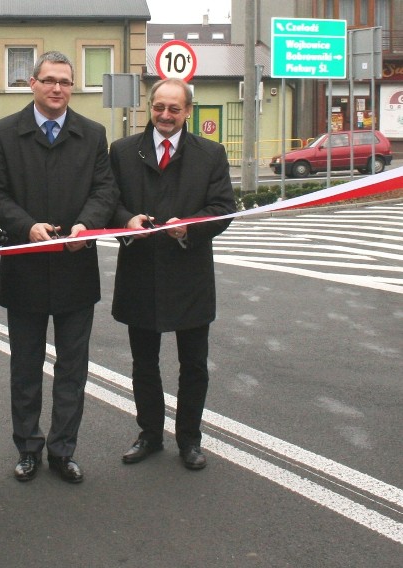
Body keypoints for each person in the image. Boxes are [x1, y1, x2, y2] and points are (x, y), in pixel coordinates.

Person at [0, 51, 118, 484]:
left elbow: (105, 189)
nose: (57, 88)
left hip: (76, 267)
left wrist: (86, 224)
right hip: (25, 267)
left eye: (65, 81)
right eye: (49, 80)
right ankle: (27, 448)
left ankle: (63, 450)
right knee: (25, 367)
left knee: (72, 368)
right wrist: (25, 226)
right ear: (33, 83)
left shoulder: (93, 134)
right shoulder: (3, 133)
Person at [108, 77, 236, 471]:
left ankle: (190, 440)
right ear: (150, 106)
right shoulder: (123, 151)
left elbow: (222, 208)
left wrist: (190, 225)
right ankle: (149, 434)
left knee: (193, 365)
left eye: (174, 109)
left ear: (188, 112)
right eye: (159, 107)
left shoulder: (210, 154)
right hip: (140, 271)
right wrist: (126, 219)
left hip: (189, 273)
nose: (165, 115)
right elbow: (106, 202)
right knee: (143, 363)